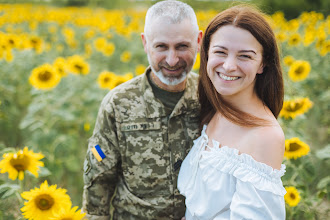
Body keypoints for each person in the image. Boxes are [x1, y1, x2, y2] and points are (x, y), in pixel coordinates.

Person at [82, 0, 203, 219]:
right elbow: (98, 176)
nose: (172, 59)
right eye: (161, 46)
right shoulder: (118, 104)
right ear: (145, 43)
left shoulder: (211, 97)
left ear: (199, 41)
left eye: (182, 46)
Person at [178, 5, 287, 220]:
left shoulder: (265, 136)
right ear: (206, 54)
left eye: (245, 56)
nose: (228, 66)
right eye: (220, 52)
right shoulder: (215, 106)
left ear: (262, 64)